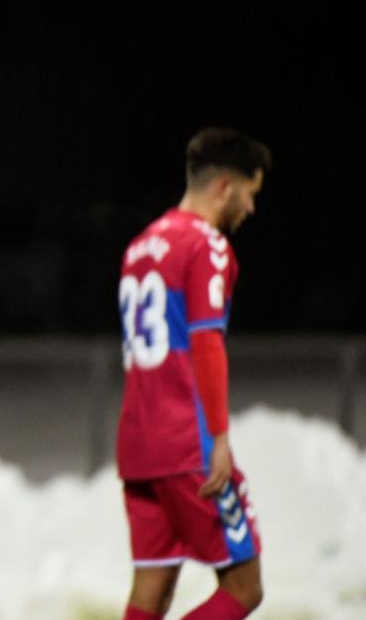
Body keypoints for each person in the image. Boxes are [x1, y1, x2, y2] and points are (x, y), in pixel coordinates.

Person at [117, 127, 268, 620]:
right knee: (245, 587)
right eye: (251, 194)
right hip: (188, 445)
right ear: (225, 185)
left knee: (151, 593)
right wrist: (219, 437)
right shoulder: (208, 246)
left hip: (139, 445)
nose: (251, 208)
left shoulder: (139, 247)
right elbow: (206, 342)